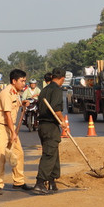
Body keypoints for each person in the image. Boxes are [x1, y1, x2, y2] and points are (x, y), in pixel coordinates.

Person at [0, 69, 32, 195]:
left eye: (25, 81)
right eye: (22, 81)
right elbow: (7, 114)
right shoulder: (6, 93)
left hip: (10, 126)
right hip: (1, 127)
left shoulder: (16, 92)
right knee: (1, 155)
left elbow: (15, 105)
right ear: (14, 81)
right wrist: (13, 132)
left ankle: (18, 182)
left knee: (18, 153)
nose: (24, 83)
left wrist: (22, 103)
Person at [33, 67, 66, 195]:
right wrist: (63, 122)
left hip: (43, 126)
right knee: (49, 154)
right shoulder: (56, 90)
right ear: (62, 78)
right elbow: (56, 109)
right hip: (50, 126)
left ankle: (52, 181)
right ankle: (40, 183)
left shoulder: (45, 90)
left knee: (53, 153)